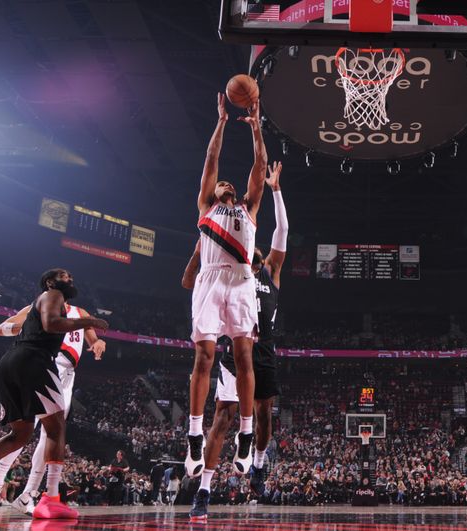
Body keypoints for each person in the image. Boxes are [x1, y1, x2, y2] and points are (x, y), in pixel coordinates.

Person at [183, 162, 288, 520]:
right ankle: (204, 489)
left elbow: (282, 233)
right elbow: (190, 280)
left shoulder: (270, 272)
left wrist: (276, 190)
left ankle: (257, 463)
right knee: (221, 418)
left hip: (265, 350)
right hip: (236, 346)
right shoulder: (230, 257)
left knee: (264, 414)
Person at [0, 269, 108, 519]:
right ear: (50, 283)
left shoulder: (80, 313)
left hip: (66, 376)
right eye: (64, 276)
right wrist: (24, 327)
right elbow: (0, 329)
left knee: (45, 435)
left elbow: (93, 339)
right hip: (43, 364)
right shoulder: (39, 304)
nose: (69, 279)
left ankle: (28, 495)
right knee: (28, 434)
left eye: (72, 276)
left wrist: (99, 344)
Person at [185, 92, 267, 479]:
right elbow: (210, 160)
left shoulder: (249, 207)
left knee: (244, 356)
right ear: (214, 192)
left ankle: (247, 436)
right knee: (203, 357)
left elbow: (260, 164)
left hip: (241, 282)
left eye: (227, 184)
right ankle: (193, 434)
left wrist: (256, 127)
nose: (225, 183)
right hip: (211, 279)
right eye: (221, 184)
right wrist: (220, 121)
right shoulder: (206, 205)